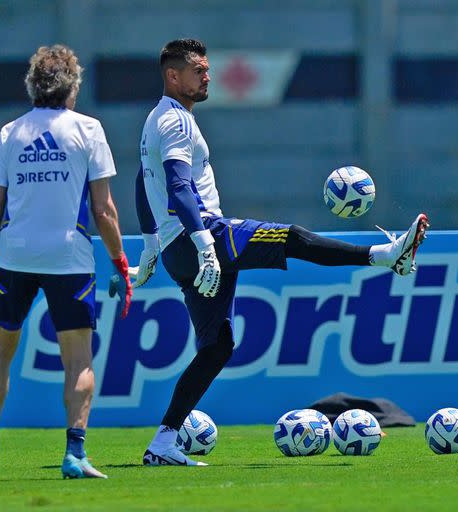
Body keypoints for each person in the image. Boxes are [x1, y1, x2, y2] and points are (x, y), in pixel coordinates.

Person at [132, 39, 429, 466]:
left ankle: (163, 441)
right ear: (172, 76)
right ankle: (385, 256)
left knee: (217, 347)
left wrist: (149, 245)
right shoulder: (175, 121)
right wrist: (204, 245)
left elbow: (144, 184)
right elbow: (178, 188)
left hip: (182, 247)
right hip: (205, 236)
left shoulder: (155, 119)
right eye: (198, 69)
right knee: (290, 237)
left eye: (207, 68)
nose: (207, 76)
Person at [0, 44, 132, 480]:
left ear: (32, 86)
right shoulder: (89, 129)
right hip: (69, 258)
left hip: (14, 256)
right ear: (72, 87)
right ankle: (74, 454)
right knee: (78, 359)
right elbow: (104, 211)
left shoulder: (10, 133)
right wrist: (119, 261)